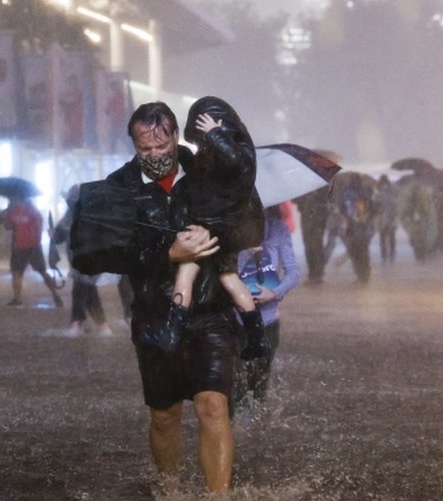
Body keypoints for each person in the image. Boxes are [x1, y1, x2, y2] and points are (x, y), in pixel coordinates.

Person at [88, 101, 239, 494]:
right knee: (164, 415)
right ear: (134, 145)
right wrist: (166, 254)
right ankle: (170, 494)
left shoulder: (207, 173)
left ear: (175, 136)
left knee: (213, 406)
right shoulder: (120, 188)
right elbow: (108, 252)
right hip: (155, 313)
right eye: (145, 150)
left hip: (210, 308)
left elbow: (240, 219)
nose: (155, 155)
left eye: (161, 146)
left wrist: (214, 241)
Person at [139, 96, 269, 361]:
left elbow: (233, 161)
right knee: (230, 279)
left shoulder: (237, 155)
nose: (203, 145)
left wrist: (215, 133)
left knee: (186, 270)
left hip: (212, 228)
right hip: (227, 228)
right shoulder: (230, 160)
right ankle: (257, 339)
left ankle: (172, 333)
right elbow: (205, 174)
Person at [235, 204, 300, 401]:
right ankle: (235, 426)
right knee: (237, 380)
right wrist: (246, 251)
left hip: (269, 319)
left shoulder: (278, 229)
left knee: (260, 381)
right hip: (237, 319)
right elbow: (225, 273)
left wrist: (274, 293)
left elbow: (293, 271)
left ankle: (256, 425)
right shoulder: (232, 230)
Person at [51, 185, 114, 337]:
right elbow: (60, 236)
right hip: (79, 260)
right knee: (89, 292)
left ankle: (77, 323)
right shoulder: (71, 216)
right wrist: (54, 234)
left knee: (80, 291)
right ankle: (103, 326)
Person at [0, 196, 63, 308]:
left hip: (19, 246)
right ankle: (55, 295)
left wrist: (5, 220)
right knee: (43, 272)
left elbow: (7, 226)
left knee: (17, 273)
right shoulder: (34, 211)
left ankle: (17, 299)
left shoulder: (12, 211)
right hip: (34, 246)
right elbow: (40, 226)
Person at [294, 187, 330, 284]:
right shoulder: (301, 185)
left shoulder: (322, 183)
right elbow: (294, 199)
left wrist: (316, 194)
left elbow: (328, 197)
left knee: (317, 245)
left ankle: (318, 273)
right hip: (306, 216)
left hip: (319, 217)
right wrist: (304, 196)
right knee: (308, 246)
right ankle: (312, 272)